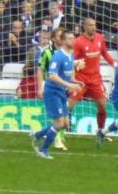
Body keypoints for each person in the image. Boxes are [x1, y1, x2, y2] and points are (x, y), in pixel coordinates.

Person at [30, 29, 84, 160]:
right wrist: (70, 85)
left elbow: (65, 75)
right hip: (52, 91)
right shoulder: (58, 56)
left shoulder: (71, 54)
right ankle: (42, 150)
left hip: (61, 92)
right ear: (64, 41)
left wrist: (76, 82)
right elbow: (52, 76)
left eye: (74, 38)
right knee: (59, 123)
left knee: (65, 124)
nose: (73, 41)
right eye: (70, 39)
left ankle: (37, 135)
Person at [69, 18, 115, 146]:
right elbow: (73, 61)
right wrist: (73, 79)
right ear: (84, 27)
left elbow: (104, 52)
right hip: (81, 79)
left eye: (94, 25)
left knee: (102, 106)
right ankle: (62, 131)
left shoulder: (100, 38)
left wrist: (113, 63)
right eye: (90, 25)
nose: (93, 27)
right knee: (69, 106)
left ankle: (100, 132)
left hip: (95, 79)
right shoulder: (78, 42)